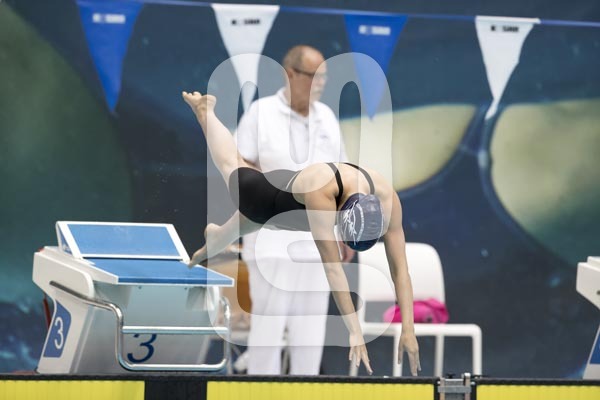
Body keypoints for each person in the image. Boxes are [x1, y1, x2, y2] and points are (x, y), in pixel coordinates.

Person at [182, 90, 421, 376]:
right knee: (233, 165)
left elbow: (401, 270)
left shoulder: (387, 198)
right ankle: (205, 111)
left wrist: (409, 329)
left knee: (223, 237)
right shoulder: (323, 192)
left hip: (301, 209)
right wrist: (355, 331)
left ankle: (215, 238)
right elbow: (333, 269)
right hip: (268, 204)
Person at [234, 45, 353, 375]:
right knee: (268, 333)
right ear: (290, 74)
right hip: (271, 242)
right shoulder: (261, 113)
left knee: (311, 335)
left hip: (317, 244)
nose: (321, 83)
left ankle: (306, 391)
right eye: (314, 76)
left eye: (324, 77)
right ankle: (259, 394)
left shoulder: (326, 117)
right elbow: (239, 166)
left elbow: (342, 176)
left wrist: (344, 230)